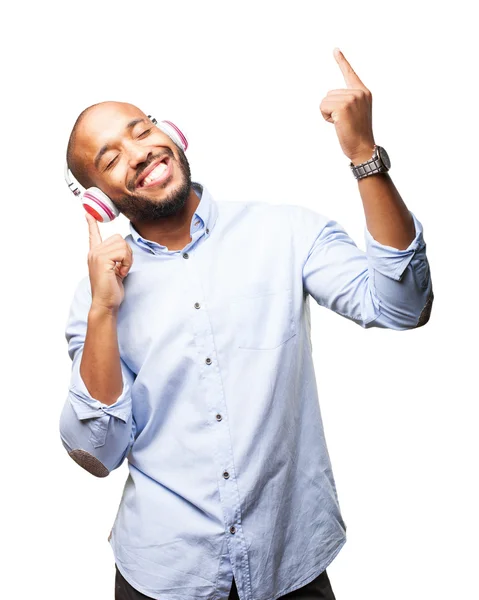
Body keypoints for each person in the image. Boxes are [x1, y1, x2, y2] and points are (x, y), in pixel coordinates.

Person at [59, 50, 433, 600]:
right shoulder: (96, 300)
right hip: (163, 574)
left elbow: (403, 305)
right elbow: (97, 452)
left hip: (291, 562)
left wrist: (363, 155)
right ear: (98, 200)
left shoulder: (286, 231)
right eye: (111, 159)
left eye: (141, 131)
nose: (139, 153)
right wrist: (102, 312)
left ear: (171, 132)